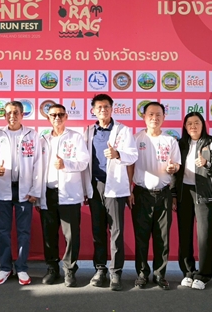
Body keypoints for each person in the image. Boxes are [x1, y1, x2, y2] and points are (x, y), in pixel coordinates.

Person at [83, 94, 137, 291]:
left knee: (116, 231)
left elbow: (133, 156)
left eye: (106, 106)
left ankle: (116, 272)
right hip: (95, 186)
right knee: (98, 230)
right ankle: (100, 269)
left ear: (112, 109)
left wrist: (118, 154)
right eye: (99, 107)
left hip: (116, 186)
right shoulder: (88, 131)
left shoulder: (123, 130)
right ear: (93, 110)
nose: (103, 110)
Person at [0, 101, 42, 286]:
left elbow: (38, 164)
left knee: (23, 231)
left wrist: (35, 190)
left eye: (16, 112)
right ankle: (5, 267)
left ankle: (22, 268)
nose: (12, 116)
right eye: (9, 113)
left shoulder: (32, 135)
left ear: (22, 114)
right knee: (3, 231)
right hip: (4, 188)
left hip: (24, 190)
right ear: (4, 115)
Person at [129, 102, 180, 290]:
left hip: (164, 194)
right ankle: (142, 274)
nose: (154, 118)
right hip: (141, 194)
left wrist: (174, 168)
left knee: (162, 238)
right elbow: (130, 166)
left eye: (158, 114)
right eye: (150, 114)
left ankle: (160, 274)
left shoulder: (170, 140)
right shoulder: (136, 139)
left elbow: (177, 165)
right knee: (141, 237)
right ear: (144, 117)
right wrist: (129, 190)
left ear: (164, 117)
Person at [38, 104, 90, 287]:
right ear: (48, 118)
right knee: (49, 234)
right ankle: (52, 268)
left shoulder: (75, 137)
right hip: (48, 193)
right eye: (53, 115)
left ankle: (70, 270)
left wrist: (65, 164)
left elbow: (83, 162)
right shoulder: (42, 140)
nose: (57, 118)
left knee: (71, 235)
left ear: (66, 117)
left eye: (60, 114)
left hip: (69, 194)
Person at [174, 112, 212, 290]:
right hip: (184, 193)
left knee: (204, 236)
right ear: (185, 127)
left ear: (203, 125)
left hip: (204, 193)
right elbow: (175, 172)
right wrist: (173, 194)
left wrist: (206, 164)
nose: (193, 126)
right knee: (184, 234)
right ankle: (188, 272)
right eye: (189, 123)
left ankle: (203, 274)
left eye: (196, 123)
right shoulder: (180, 144)